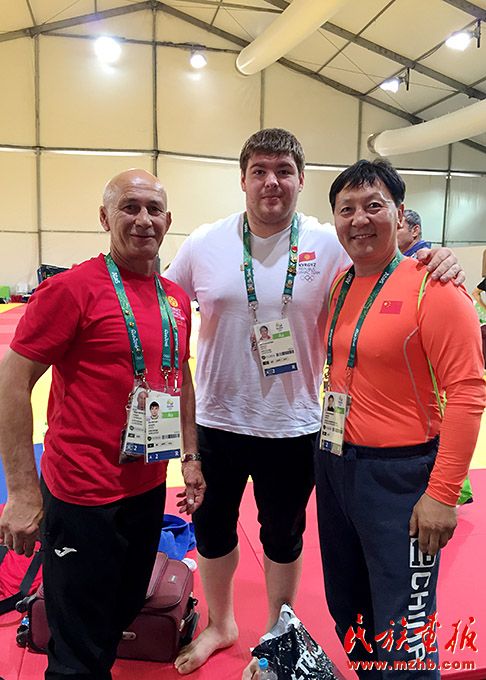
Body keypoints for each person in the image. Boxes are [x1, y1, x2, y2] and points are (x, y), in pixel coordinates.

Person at [164, 128, 464, 677]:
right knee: (212, 531)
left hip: (298, 425)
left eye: (284, 170)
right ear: (242, 179)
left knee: (284, 536)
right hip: (217, 419)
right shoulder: (204, 242)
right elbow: (164, 305)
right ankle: (220, 623)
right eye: (259, 171)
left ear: (301, 179)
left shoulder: (329, 242)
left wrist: (438, 256)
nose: (271, 181)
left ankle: (277, 636)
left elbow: (385, 262)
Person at [0, 169, 206, 680]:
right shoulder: (71, 289)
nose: (143, 220)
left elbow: (179, 380)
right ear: (104, 217)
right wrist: (22, 492)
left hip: (146, 489)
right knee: (76, 647)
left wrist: (191, 457)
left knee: (119, 613)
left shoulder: (175, 298)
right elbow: (12, 382)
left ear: (169, 220)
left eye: (153, 209)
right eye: (129, 207)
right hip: (82, 497)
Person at [314, 159, 485, 679]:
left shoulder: (435, 287)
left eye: (374, 206)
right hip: (337, 465)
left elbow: (468, 392)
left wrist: (442, 493)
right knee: (349, 608)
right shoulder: (342, 283)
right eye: (347, 209)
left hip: (400, 478)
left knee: (404, 627)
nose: (359, 219)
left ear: (400, 212)